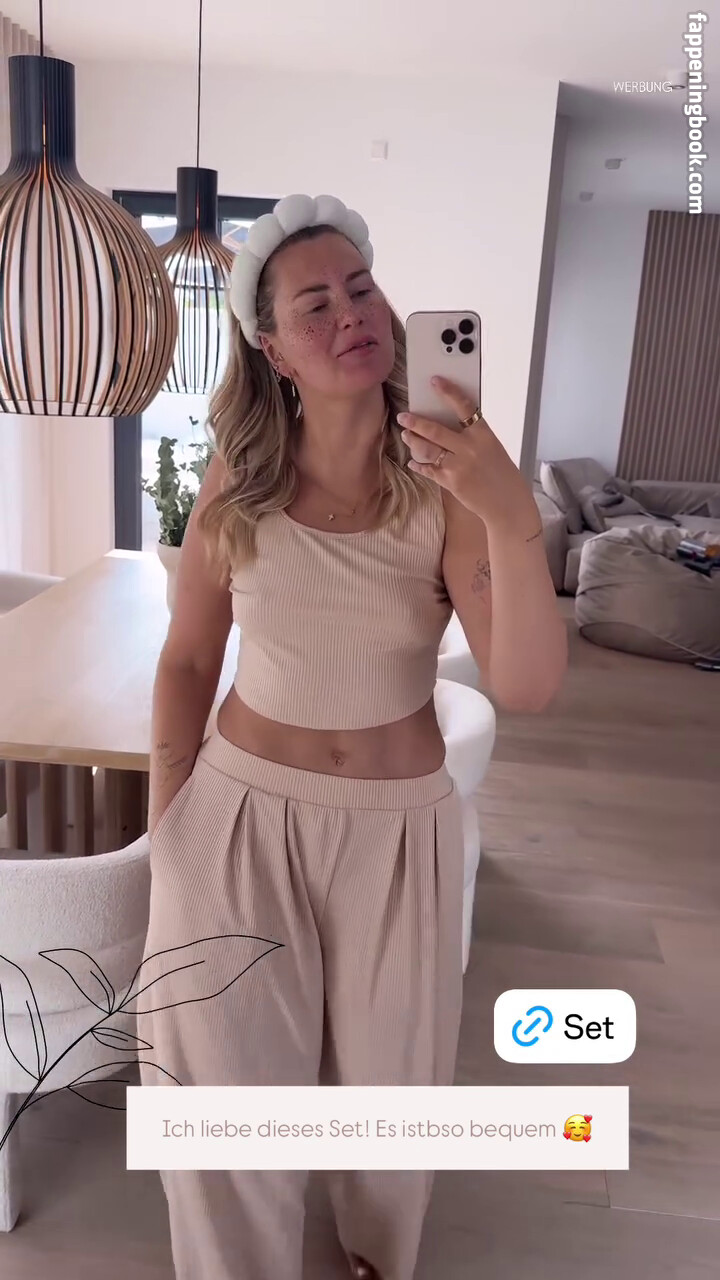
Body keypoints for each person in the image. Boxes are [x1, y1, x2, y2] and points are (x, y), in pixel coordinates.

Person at [136, 194, 567, 1280]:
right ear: (273, 349)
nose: (350, 316)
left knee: (392, 1101)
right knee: (226, 1104)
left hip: (396, 835)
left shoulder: (450, 486)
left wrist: (511, 514)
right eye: (314, 305)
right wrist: (169, 831)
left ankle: (373, 1261)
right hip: (235, 824)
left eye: (361, 288)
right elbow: (187, 661)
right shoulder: (239, 478)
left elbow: (526, 684)